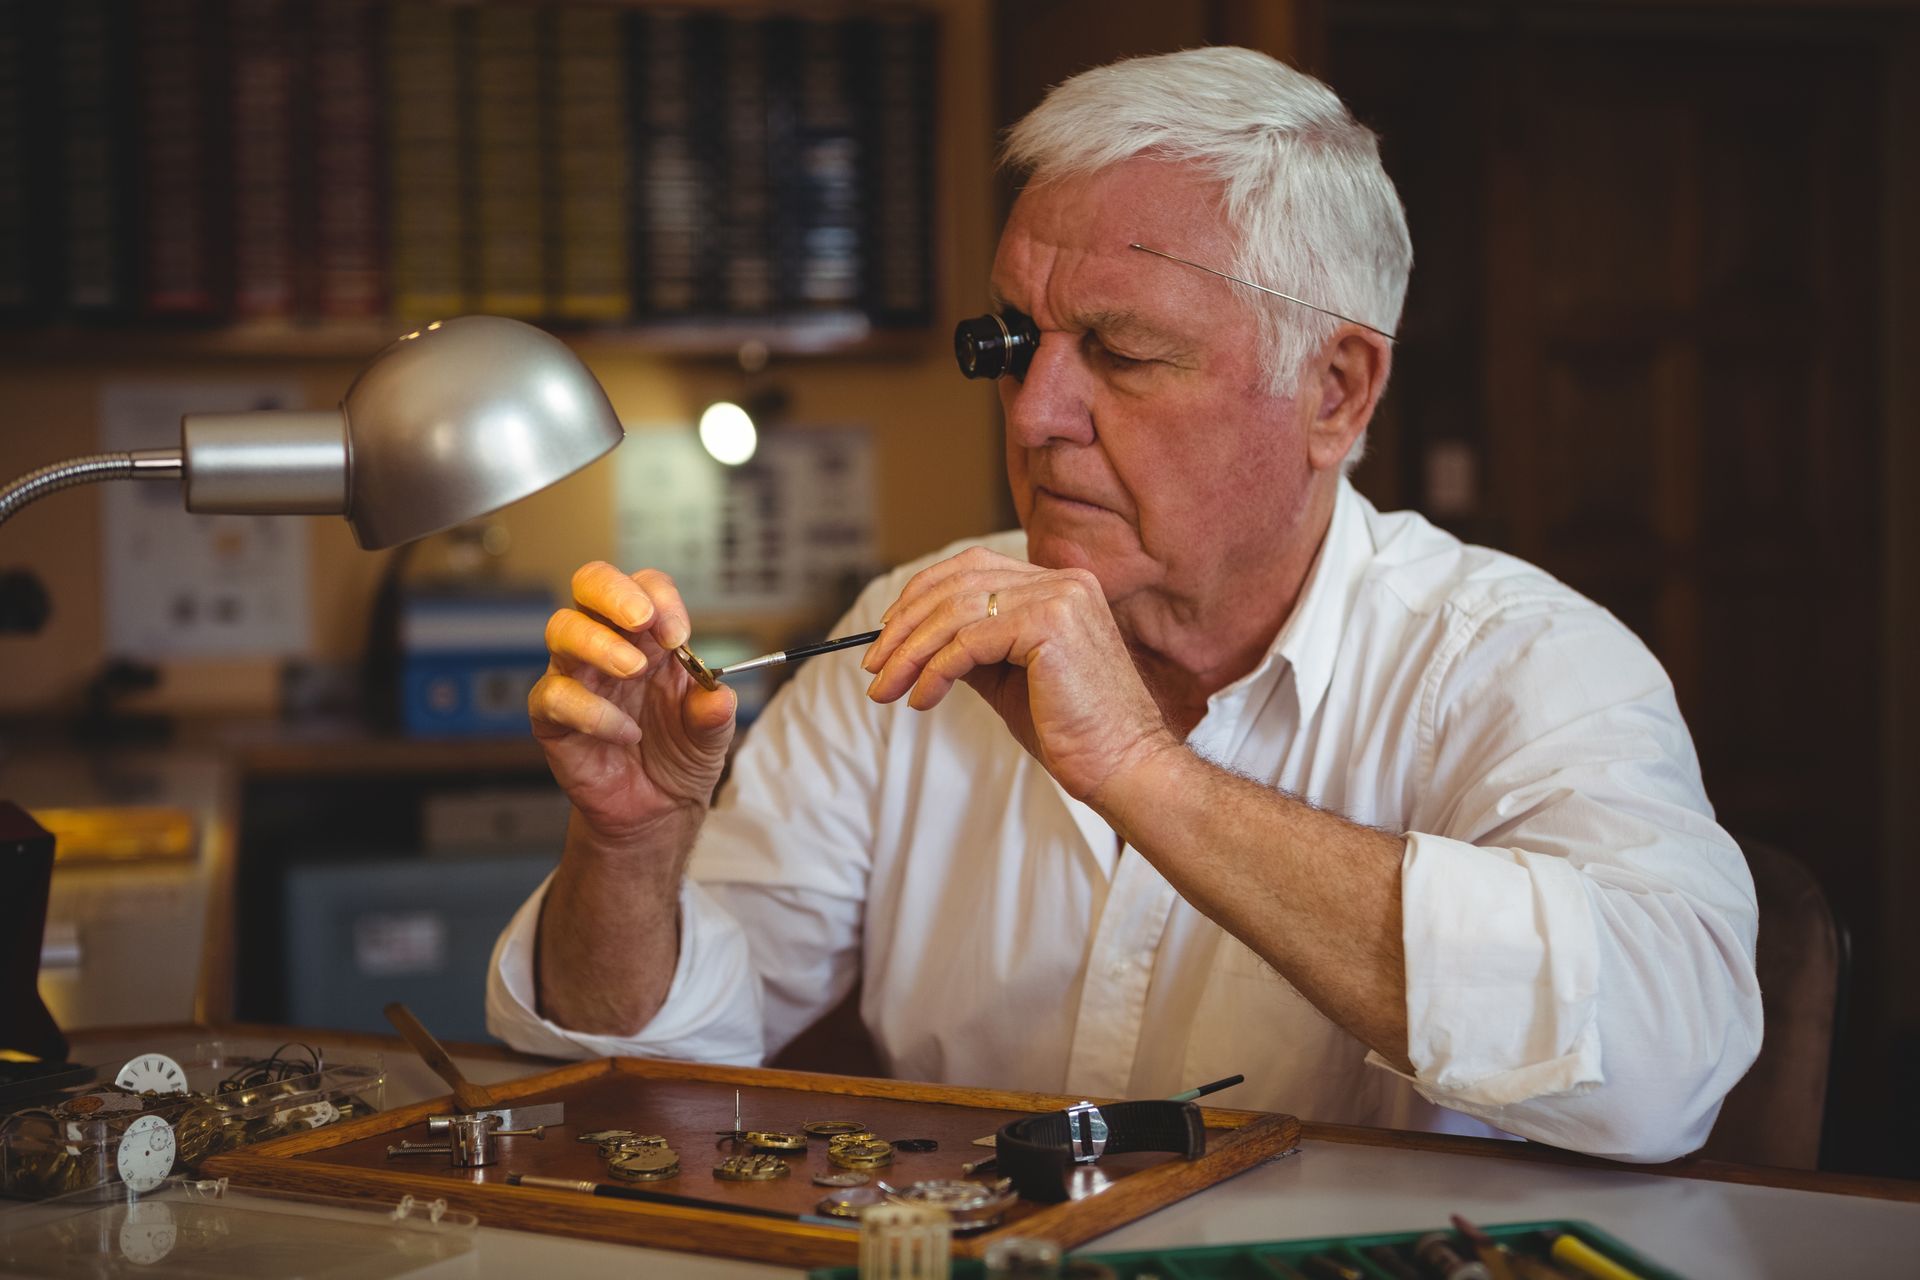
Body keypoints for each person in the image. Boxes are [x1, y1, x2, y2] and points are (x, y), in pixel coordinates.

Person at [488, 47, 1761, 1163]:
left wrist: (1146, 772)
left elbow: (1669, 1061)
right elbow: (647, 1070)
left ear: (1335, 391)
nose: (1036, 415)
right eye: (1012, 342)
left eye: (1123, 351)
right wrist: (631, 851)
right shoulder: (911, 621)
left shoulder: (1520, 661)